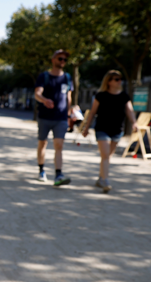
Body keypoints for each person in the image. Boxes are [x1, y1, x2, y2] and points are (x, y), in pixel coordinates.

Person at [82, 70, 138, 193]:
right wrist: (86, 128)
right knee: (105, 155)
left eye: (120, 79)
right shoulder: (100, 95)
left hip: (117, 130)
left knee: (107, 156)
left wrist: (134, 122)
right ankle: (105, 181)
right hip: (102, 129)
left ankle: (101, 177)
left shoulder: (124, 96)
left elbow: (129, 111)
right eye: (116, 79)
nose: (119, 81)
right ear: (109, 81)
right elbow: (92, 112)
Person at [34, 49, 73, 186]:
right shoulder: (44, 76)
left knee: (59, 145)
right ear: (53, 60)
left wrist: (69, 114)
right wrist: (44, 100)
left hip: (61, 118)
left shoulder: (67, 77)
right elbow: (37, 93)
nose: (62, 61)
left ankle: (58, 174)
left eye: (64, 59)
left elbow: (69, 97)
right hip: (44, 117)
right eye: (60, 58)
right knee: (42, 144)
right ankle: (41, 170)